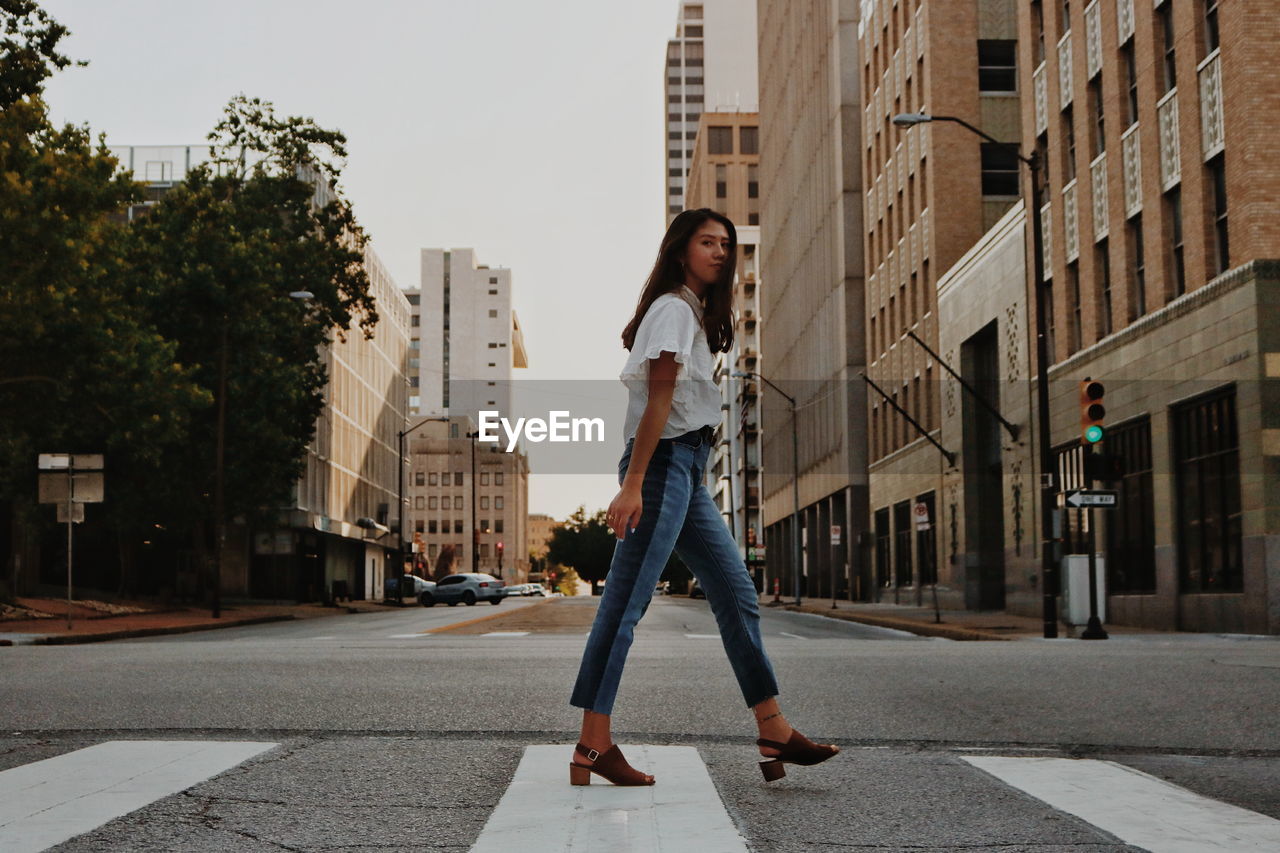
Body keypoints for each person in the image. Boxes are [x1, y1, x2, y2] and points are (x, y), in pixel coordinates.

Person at [568, 208, 839, 786]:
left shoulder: (690, 315)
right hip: (663, 466)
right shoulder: (670, 310)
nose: (719, 252)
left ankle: (772, 726)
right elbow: (660, 403)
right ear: (680, 250)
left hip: (686, 471)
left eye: (725, 244)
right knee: (625, 605)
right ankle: (593, 743)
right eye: (706, 242)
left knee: (737, 593)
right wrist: (634, 484)